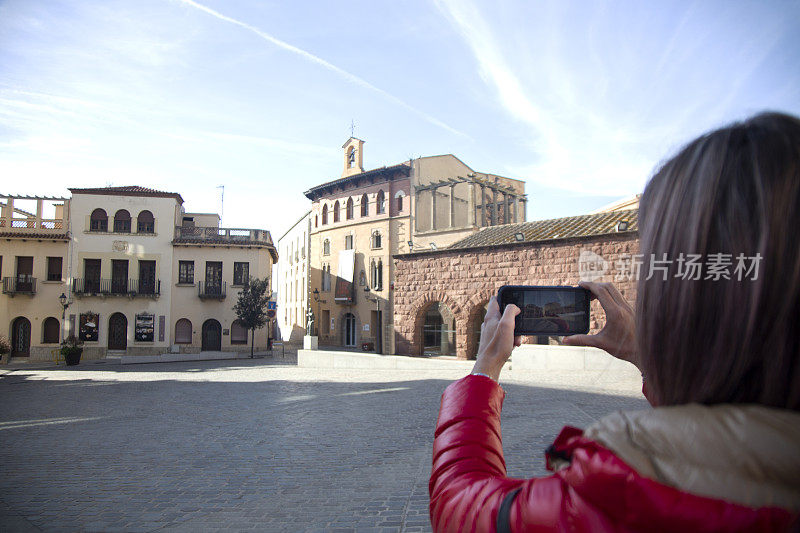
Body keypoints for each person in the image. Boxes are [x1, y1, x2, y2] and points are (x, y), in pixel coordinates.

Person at [429, 112, 800, 532]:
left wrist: (484, 370)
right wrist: (646, 358)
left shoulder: (619, 494)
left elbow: (459, 504)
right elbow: (725, 436)